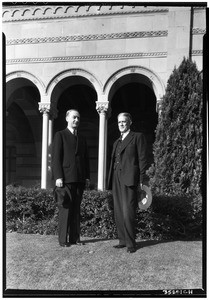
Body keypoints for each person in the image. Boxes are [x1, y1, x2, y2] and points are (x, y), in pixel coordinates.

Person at [108, 112, 149, 253]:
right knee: (119, 210)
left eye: (124, 121)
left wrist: (143, 180)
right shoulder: (116, 142)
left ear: (130, 122)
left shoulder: (137, 137)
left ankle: (131, 243)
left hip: (130, 178)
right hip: (116, 178)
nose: (121, 124)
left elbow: (143, 160)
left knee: (128, 211)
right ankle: (122, 240)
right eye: (119, 122)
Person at [52, 109, 90, 247]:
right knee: (65, 209)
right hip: (65, 179)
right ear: (67, 118)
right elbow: (56, 158)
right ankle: (63, 240)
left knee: (76, 210)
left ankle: (75, 239)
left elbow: (86, 159)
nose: (76, 120)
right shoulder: (60, 135)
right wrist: (58, 177)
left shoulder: (82, 138)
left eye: (78, 118)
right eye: (74, 117)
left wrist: (87, 177)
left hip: (79, 179)